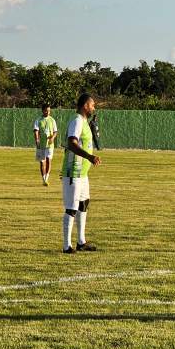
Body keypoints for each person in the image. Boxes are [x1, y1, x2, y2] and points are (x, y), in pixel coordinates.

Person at [61, 93, 102, 253]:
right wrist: (90, 156)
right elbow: (72, 144)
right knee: (71, 208)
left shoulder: (85, 122)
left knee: (83, 204)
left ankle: (81, 241)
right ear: (85, 105)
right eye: (92, 105)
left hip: (82, 174)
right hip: (73, 172)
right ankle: (66, 246)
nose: (94, 108)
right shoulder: (77, 121)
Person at [34, 104, 58, 186]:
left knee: (48, 161)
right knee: (42, 162)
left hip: (50, 145)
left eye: (49, 110)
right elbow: (36, 131)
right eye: (46, 110)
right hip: (41, 145)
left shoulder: (52, 120)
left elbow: (55, 132)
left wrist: (53, 138)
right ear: (42, 111)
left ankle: (46, 179)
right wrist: (37, 140)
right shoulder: (38, 120)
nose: (48, 112)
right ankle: (43, 179)